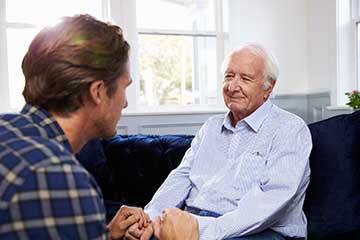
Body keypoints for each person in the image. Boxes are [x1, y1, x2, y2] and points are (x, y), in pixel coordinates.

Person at [127, 43, 312, 240]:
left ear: (269, 86)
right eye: (229, 76)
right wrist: (151, 219)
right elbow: (181, 177)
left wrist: (199, 230)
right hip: (195, 223)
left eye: (245, 78)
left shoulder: (290, 129)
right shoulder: (210, 127)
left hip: (257, 231)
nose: (232, 87)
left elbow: (271, 202)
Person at [0, 14, 154, 239]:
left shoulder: (7, 130)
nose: (125, 102)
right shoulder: (55, 176)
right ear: (98, 92)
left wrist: (105, 234)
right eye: (124, 87)